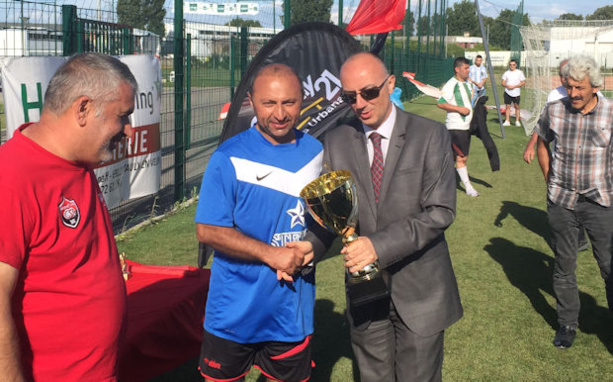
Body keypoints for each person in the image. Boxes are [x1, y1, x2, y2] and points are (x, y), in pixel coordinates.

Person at [322, 52, 463, 381]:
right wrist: (307, 250)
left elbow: (440, 211)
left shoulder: (430, 135)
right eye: (349, 96)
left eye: (368, 92)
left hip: (422, 291)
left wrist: (377, 246)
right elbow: (331, 216)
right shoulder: (336, 140)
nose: (359, 103)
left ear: (390, 84)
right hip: (364, 292)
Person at [0, 53, 136, 380]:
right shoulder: (13, 177)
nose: (129, 131)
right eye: (123, 116)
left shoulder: (77, 160)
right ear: (83, 108)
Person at [195, 63, 324, 382]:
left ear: (303, 99)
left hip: (291, 313)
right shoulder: (228, 157)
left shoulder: (316, 151)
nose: (280, 114)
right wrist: (271, 254)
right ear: (251, 100)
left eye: (289, 102)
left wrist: (310, 245)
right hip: (233, 311)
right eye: (269, 103)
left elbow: (324, 219)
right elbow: (208, 230)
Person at [535, 55, 613, 349]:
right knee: (564, 266)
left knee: (609, 267)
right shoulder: (555, 110)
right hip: (562, 202)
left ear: (595, 85)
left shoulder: (610, 113)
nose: (574, 94)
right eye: (568, 87)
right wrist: (549, 177)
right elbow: (542, 140)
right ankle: (567, 325)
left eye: (580, 87)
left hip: (601, 203)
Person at [524, 59, 589, 252]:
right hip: (560, 158)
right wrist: (531, 144)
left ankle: (580, 237)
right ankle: (563, 239)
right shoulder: (555, 95)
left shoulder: (591, 93)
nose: (563, 78)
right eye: (561, 74)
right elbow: (544, 124)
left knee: (582, 199)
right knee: (557, 199)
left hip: (584, 160)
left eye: (567, 73)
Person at [437, 57, 479, 197]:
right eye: (466, 68)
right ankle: (468, 188)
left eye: (469, 68)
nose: (468, 71)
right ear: (457, 69)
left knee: (453, 157)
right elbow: (441, 103)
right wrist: (459, 109)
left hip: (465, 127)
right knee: (461, 158)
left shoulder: (467, 83)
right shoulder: (451, 84)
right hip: (456, 126)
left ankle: (438, 182)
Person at [501, 59, 526, 126]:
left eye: (513, 65)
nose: (512, 66)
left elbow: (523, 82)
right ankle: (507, 121)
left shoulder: (519, 72)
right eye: (510, 65)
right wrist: (507, 85)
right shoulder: (506, 73)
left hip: (516, 93)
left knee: (516, 106)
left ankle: (517, 121)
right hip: (507, 92)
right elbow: (502, 82)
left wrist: (515, 86)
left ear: (516, 65)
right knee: (507, 106)